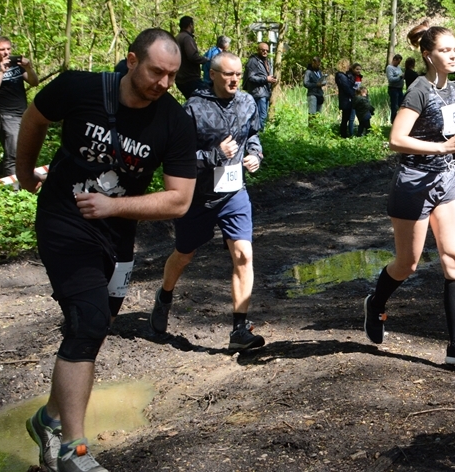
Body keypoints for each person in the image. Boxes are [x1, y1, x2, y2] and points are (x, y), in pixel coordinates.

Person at [16, 28, 197, 472]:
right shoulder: (79, 88)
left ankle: (48, 419)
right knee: (89, 319)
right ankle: (72, 451)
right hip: (64, 221)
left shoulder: (174, 121)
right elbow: (34, 118)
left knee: (98, 325)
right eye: (156, 72)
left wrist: (114, 206)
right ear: (132, 61)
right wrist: (23, 172)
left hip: (117, 233)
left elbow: (179, 200)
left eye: (172, 76)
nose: (164, 83)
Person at [364, 25, 455, 365]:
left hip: (447, 181)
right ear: (428, 55)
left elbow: (451, 120)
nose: (452, 55)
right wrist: (443, 147)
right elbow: (396, 139)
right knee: (408, 263)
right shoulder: (418, 89)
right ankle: (376, 304)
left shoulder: (451, 87)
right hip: (414, 183)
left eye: (454, 49)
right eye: (445, 50)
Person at [150, 52, 266, 351]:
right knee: (184, 255)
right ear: (212, 74)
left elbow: (253, 135)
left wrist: (255, 154)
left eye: (238, 74)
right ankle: (165, 295)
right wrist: (215, 155)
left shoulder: (247, 102)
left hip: (234, 193)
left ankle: (239, 330)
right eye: (228, 74)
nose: (235, 80)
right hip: (198, 196)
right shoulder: (193, 108)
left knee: (243, 255)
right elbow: (178, 158)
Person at [0, 36, 38, 183]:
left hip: (23, 114)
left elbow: (34, 82)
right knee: (14, 155)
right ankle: (14, 190)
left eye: (8, 49)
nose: (6, 52)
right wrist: (1, 72)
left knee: (24, 152)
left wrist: (28, 67)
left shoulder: (16, 65)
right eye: (1, 49)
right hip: (5, 115)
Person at [174, 16, 208, 100]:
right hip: (190, 78)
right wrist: (206, 59)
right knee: (204, 99)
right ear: (190, 25)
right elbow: (193, 56)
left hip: (180, 78)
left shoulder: (177, 37)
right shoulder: (187, 38)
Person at [244, 42, 278, 126]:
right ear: (258, 50)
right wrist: (266, 79)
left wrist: (272, 79)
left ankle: (260, 132)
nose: (265, 52)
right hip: (258, 93)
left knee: (263, 116)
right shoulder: (253, 61)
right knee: (262, 116)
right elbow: (250, 78)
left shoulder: (267, 61)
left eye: (267, 50)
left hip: (266, 92)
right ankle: (260, 133)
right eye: (263, 50)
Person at [335, 62, 357, 138]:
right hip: (345, 99)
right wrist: (353, 94)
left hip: (348, 98)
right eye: (347, 65)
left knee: (347, 117)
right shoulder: (340, 76)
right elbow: (346, 87)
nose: (349, 66)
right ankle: (343, 134)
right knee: (345, 118)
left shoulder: (346, 75)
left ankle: (345, 133)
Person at [386, 53, 405, 122]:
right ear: (394, 60)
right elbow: (390, 79)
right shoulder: (389, 68)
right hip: (393, 89)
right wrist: (400, 77)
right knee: (394, 106)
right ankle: (393, 121)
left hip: (400, 89)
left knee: (401, 104)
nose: (398, 63)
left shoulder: (398, 67)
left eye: (399, 62)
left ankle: (400, 120)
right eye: (398, 62)